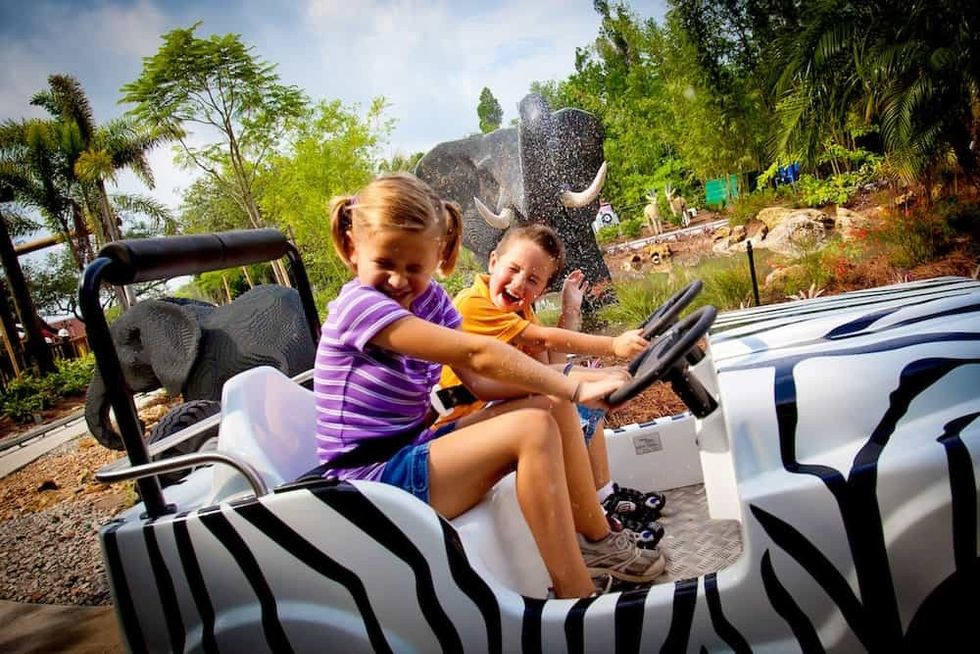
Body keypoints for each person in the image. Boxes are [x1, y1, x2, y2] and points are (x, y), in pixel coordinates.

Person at [314, 173, 665, 599]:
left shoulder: (431, 302)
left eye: (415, 268)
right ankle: (576, 596)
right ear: (353, 248)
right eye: (385, 264)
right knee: (533, 427)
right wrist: (574, 387)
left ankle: (597, 543)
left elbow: (482, 384)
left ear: (438, 256)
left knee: (550, 404)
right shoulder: (360, 306)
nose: (399, 281)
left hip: (410, 450)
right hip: (368, 481)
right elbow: (479, 354)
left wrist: (565, 388)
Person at [436, 224, 667, 544]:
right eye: (513, 269)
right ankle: (591, 525)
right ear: (493, 262)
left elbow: (549, 365)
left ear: (543, 290)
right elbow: (545, 345)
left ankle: (603, 496)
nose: (519, 283)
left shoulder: (521, 311)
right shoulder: (473, 303)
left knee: (586, 397)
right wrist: (613, 347)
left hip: (495, 406)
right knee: (571, 395)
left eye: (533, 280)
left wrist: (570, 310)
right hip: (463, 418)